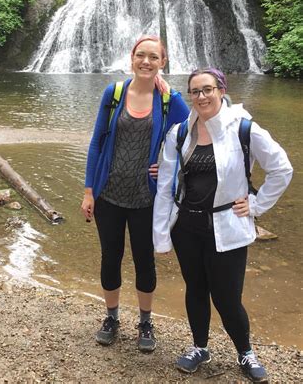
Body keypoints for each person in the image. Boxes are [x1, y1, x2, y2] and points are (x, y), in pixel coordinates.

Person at [153, 68, 293, 382]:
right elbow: (165, 185)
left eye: (207, 89)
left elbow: (282, 168)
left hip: (227, 226)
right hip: (187, 227)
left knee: (227, 298)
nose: (201, 96)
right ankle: (199, 347)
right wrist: (161, 233)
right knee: (196, 290)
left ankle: (245, 352)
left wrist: (257, 205)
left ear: (221, 90)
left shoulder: (244, 128)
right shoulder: (180, 132)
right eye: (195, 91)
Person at [81, 35, 189, 351]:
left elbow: (194, 131)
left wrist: (166, 169)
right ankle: (112, 317)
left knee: (144, 261)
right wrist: (89, 191)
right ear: (132, 58)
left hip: (146, 198)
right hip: (108, 195)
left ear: (162, 62)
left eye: (153, 57)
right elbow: (97, 142)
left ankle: (145, 322)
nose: (146, 61)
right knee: (110, 258)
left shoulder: (168, 101)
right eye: (141, 55)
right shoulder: (113, 93)